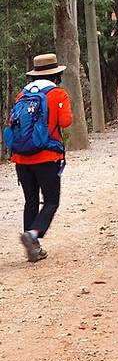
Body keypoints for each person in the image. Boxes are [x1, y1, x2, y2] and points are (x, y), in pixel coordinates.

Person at [6, 52, 73, 263]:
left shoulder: (21, 96)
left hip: (21, 159)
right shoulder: (58, 94)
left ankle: (33, 247)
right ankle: (33, 235)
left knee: (31, 200)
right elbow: (66, 122)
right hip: (47, 157)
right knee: (51, 200)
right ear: (55, 75)